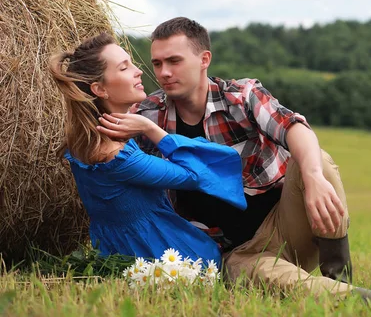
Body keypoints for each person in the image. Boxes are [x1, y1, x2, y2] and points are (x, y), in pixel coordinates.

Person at [100, 17, 371, 310]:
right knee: (290, 285)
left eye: (174, 60)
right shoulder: (149, 115)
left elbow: (293, 127)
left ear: (204, 60)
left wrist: (312, 177)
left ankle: (338, 272)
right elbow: (108, 152)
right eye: (157, 63)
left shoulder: (241, 96)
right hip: (238, 251)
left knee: (318, 161)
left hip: (287, 222)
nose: (164, 73)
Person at [49, 32, 247, 267]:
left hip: (121, 253)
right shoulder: (117, 156)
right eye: (124, 68)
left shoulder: (92, 140)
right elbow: (197, 174)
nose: (139, 70)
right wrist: (152, 129)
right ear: (100, 89)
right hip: (163, 257)